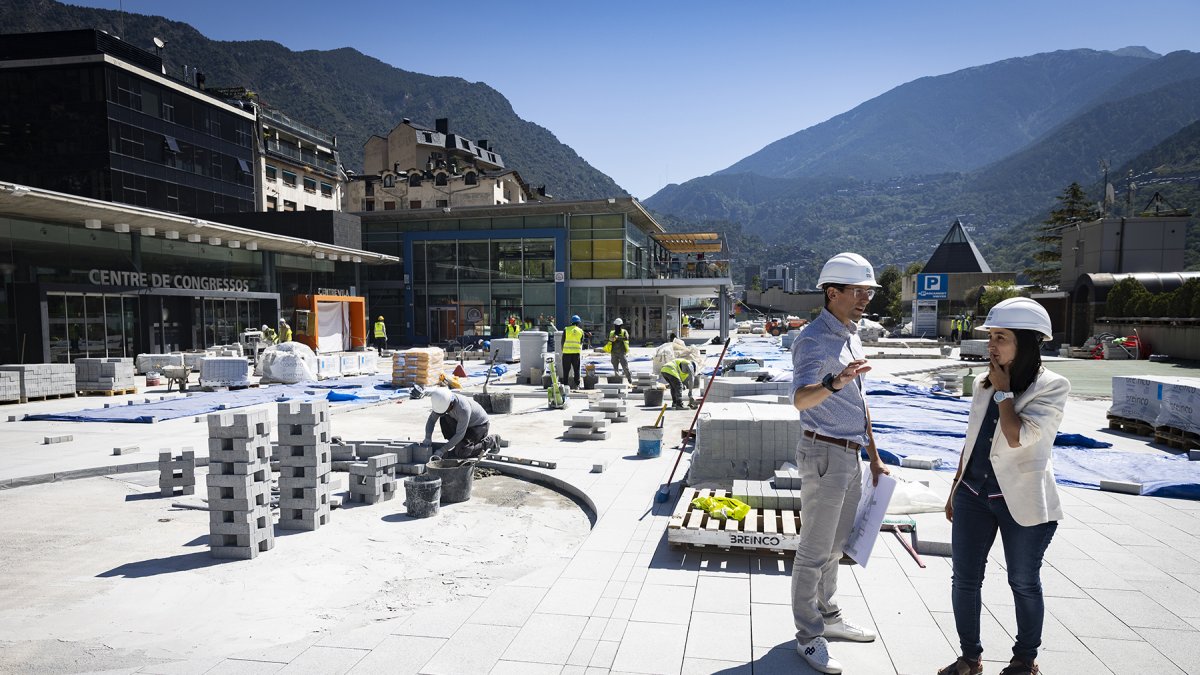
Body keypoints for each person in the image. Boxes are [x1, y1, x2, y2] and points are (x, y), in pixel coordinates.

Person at [938, 298, 1068, 675]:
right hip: (973, 496)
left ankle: (1025, 659)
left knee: (1023, 581)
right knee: (964, 579)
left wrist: (1005, 392)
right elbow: (973, 438)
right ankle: (970, 657)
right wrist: (954, 489)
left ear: (1027, 342)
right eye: (991, 336)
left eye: (1002, 338)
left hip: (1022, 502)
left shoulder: (1052, 386)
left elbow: (1016, 437)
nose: (992, 345)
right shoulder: (985, 382)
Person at [790, 252, 890, 674]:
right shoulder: (813, 339)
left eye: (868, 291)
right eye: (858, 291)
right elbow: (800, 399)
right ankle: (808, 636)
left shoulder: (852, 333)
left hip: (850, 453)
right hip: (824, 453)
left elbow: (859, 401)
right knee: (814, 551)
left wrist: (874, 455)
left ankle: (828, 618)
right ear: (832, 293)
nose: (865, 298)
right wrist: (834, 382)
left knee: (834, 548)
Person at [422, 388, 499, 459]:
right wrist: (428, 437)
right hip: (464, 424)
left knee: (463, 452)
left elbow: (460, 434)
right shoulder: (442, 403)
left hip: (478, 426)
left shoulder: (463, 409)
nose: (445, 412)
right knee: (444, 418)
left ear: (451, 403)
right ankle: (459, 444)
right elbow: (432, 420)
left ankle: (492, 441)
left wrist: (443, 450)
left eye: (446, 410)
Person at [563, 315, 584, 389]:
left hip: (566, 353)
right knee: (576, 369)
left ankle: (565, 385)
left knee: (566, 370)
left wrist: (564, 349)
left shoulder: (566, 329)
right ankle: (577, 385)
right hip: (576, 353)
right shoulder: (581, 331)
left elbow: (563, 341)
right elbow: (581, 342)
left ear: (571, 322)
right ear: (578, 322)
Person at [608, 317, 631, 383]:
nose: (616, 327)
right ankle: (617, 381)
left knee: (625, 367)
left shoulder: (624, 332)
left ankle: (629, 379)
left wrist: (618, 337)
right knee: (615, 368)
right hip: (614, 352)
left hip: (621, 352)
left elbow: (626, 338)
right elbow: (609, 339)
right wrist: (612, 339)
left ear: (620, 326)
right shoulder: (612, 332)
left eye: (617, 326)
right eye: (616, 326)